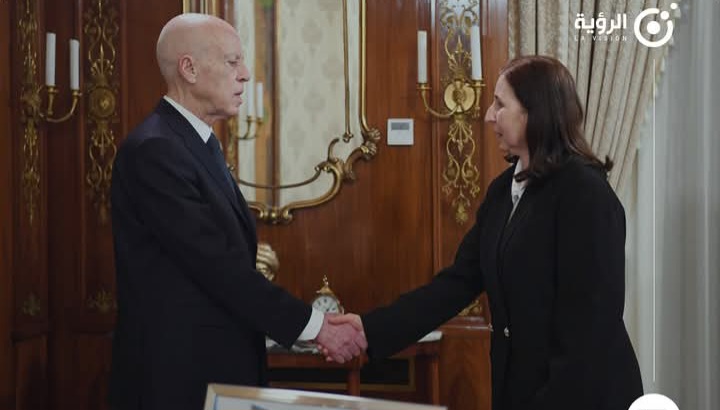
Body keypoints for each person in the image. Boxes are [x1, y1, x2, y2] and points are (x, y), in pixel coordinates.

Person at [327, 56, 643, 410]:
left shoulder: (585, 194)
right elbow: (457, 283)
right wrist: (370, 329)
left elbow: (590, 331)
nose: (489, 116)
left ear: (534, 113)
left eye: (500, 104)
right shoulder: (503, 191)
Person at [109, 13, 366, 410]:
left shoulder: (197, 145)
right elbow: (217, 266)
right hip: (176, 380)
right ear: (189, 69)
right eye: (232, 62)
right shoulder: (156, 150)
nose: (245, 74)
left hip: (213, 370)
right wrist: (317, 327)